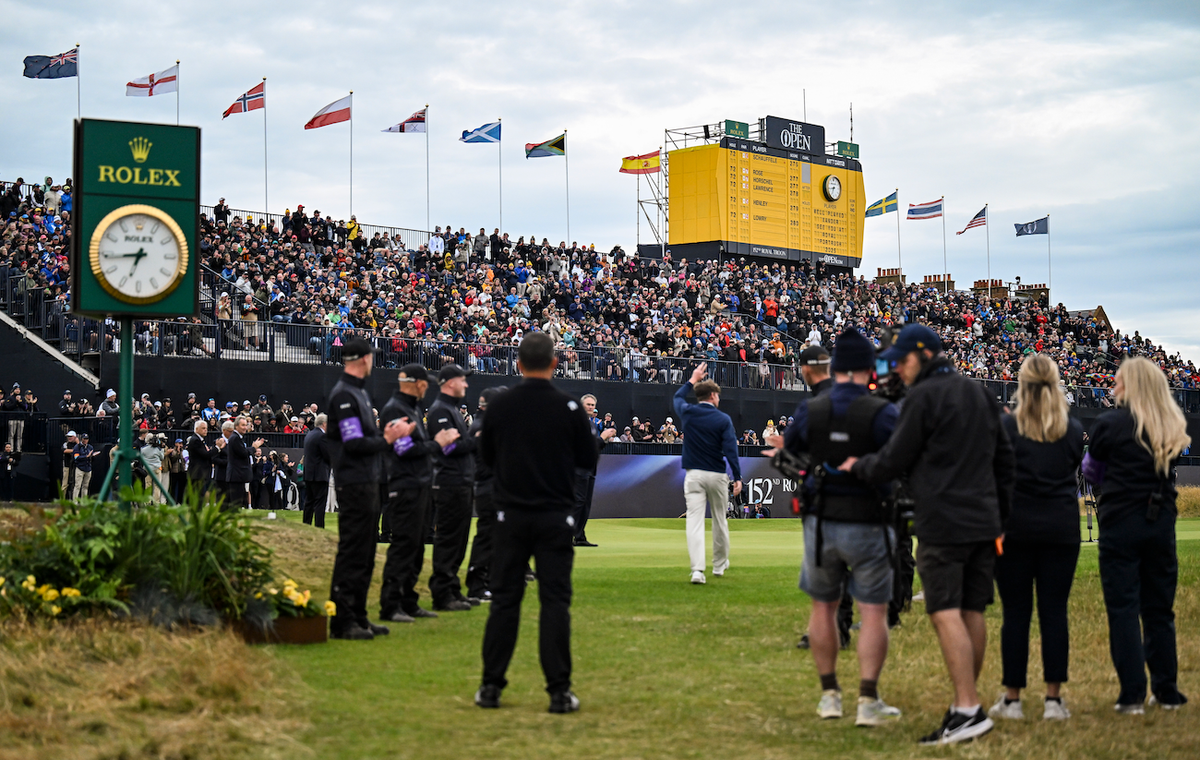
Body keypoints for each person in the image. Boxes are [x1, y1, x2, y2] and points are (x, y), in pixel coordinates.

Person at [839, 324, 1014, 746]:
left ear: (925, 354)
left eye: (904, 358)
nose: (897, 366)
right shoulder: (978, 392)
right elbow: (1005, 460)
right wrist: (1001, 517)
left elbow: (896, 456)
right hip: (983, 520)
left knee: (943, 609)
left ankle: (968, 709)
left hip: (944, 519)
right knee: (973, 608)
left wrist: (856, 468)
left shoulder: (922, 396)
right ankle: (966, 705)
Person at [767, 329, 902, 726]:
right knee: (873, 612)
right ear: (866, 368)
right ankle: (867, 700)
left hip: (821, 519)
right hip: (869, 518)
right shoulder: (882, 411)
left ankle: (829, 695)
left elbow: (790, 454)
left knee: (821, 607)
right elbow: (898, 461)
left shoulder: (813, 408)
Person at [475, 332, 598, 713]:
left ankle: (490, 687)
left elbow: (486, 457)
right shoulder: (570, 408)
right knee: (555, 602)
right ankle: (559, 691)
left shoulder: (500, 406)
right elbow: (588, 459)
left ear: (517, 364)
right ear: (555, 364)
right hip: (554, 516)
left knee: (505, 602)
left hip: (509, 515)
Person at [1083, 356, 1191, 713]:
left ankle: (1132, 695)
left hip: (1119, 522)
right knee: (1160, 609)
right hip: (1160, 521)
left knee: (1124, 608)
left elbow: (1092, 472)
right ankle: (1167, 691)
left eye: (1117, 381)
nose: (1113, 386)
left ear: (1129, 385)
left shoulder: (1110, 423)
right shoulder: (1169, 425)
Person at [326, 337, 413, 640]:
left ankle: (358, 616)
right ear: (364, 359)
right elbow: (353, 443)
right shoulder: (345, 395)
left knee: (365, 552)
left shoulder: (357, 393)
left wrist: (385, 436)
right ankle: (343, 620)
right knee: (353, 551)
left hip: (367, 480)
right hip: (355, 482)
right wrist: (388, 439)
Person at [378, 364, 457, 622]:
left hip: (419, 484)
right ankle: (391, 605)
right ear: (418, 383)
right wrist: (437, 444)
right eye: (425, 383)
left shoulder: (410, 407)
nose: (427, 387)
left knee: (416, 546)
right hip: (405, 485)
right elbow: (403, 449)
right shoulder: (394, 409)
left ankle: (408, 601)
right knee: (403, 545)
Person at [673, 361, 742, 585]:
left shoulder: (689, 413)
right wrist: (738, 477)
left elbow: (677, 398)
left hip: (693, 475)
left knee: (694, 521)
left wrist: (692, 379)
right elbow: (731, 450)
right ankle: (720, 565)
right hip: (716, 475)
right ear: (712, 396)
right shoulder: (723, 419)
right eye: (718, 396)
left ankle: (697, 571)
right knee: (720, 520)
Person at [427, 364, 477, 611]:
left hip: (462, 481)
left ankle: (453, 589)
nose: (466, 384)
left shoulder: (452, 410)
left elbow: (460, 444)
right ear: (449, 382)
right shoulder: (439, 411)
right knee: (448, 539)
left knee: (458, 540)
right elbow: (449, 448)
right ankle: (442, 593)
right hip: (450, 482)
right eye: (462, 380)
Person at [465, 387, 503, 602]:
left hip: (489, 487)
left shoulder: (484, 425)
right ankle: (477, 585)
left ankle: (485, 582)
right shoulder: (484, 428)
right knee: (487, 537)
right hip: (489, 488)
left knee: (491, 538)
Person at [573, 393, 617, 546]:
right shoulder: (577, 422)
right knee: (578, 502)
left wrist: (603, 439)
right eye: (588, 404)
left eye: (593, 405)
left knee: (585, 503)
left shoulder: (591, 424)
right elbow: (583, 447)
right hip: (578, 468)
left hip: (590, 468)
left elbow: (593, 448)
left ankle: (579, 536)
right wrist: (603, 437)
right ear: (581, 405)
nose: (591, 407)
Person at [224, 416, 264, 510]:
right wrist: (254, 448)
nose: (245, 427)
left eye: (246, 425)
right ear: (236, 426)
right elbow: (243, 453)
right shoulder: (235, 438)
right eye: (243, 425)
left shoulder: (237, 437)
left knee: (239, 502)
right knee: (236, 502)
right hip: (236, 475)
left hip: (238, 476)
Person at [302, 414, 331, 528]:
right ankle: (319, 528)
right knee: (320, 503)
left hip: (309, 474)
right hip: (319, 475)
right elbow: (327, 455)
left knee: (309, 502)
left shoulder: (309, 434)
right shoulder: (321, 436)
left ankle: (306, 526)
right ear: (324, 424)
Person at [186, 421, 216, 497]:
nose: (205, 430)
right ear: (196, 429)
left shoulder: (199, 440)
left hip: (199, 474)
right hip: (197, 474)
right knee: (198, 496)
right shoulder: (196, 440)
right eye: (203, 428)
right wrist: (217, 448)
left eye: (206, 428)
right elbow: (205, 455)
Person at [71, 433, 96, 501]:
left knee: (85, 486)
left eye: (86, 439)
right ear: (81, 439)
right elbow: (76, 457)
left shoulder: (90, 447)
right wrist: (86, 456)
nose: (85, 440)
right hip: (80, 468)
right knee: (77, 486)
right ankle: (75, 502)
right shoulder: (77, 447)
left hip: (88, 468)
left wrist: (92, 456)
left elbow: (91, 458)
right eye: (84, 439)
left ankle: (83, 501)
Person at [61, 430, 78, 498]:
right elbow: (65, 450)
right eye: (68, 436)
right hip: (67, 465)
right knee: (65, 483)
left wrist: (78, 443)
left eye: (71, 436)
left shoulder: (78, 445)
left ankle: (74, 499)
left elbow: (82, 450)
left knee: (75, 483)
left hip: (76, 466)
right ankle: (62, 499)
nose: (69, 438)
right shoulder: (66, 444)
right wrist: (76, 451)